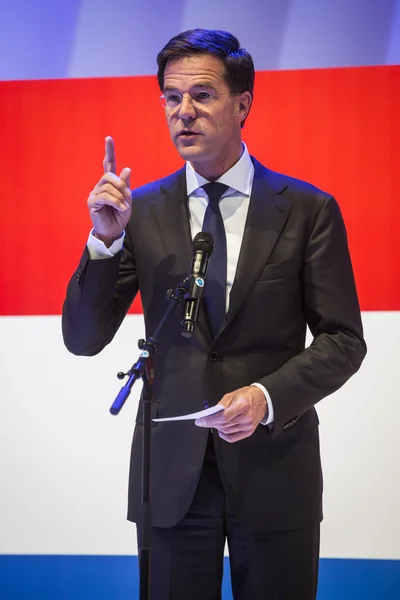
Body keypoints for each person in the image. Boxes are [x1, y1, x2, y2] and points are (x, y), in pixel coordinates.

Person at [62, 28, 366, 600]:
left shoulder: (307, 209)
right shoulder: (140, 212)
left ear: (243, 103)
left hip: (275, 470)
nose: (184, 113)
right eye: (171, 99)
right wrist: (103, 241)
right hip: (172, 478)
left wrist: (267, 396)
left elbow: (343, 340)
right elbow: (83, 338)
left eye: (202, 95)